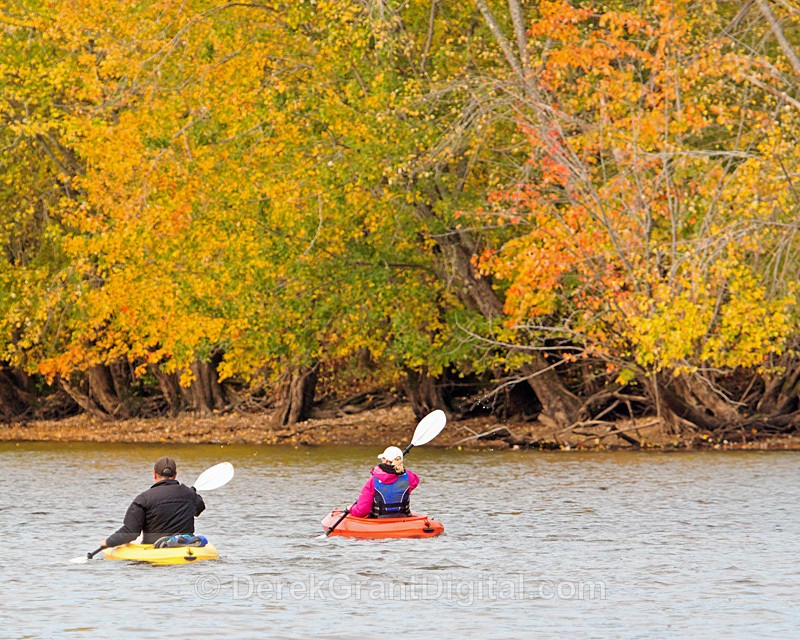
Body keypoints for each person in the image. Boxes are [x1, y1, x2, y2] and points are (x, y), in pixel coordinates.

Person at [101, 456, 205, 548]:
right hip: (186, 548)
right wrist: (192, 494)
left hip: (154, 550)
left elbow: (131, 532)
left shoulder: (143, 499)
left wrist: (108, 542)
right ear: (175, 474)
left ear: (155, 475)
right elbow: (200, 508)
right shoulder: (191, 495)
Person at [348, 446, 419, 518]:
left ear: (386, 461)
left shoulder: (373, 481)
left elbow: (362, 511)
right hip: (403, 520)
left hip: (379, 523)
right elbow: (415, 480)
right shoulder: (410, 478)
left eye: (383, 459)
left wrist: (351, 508)